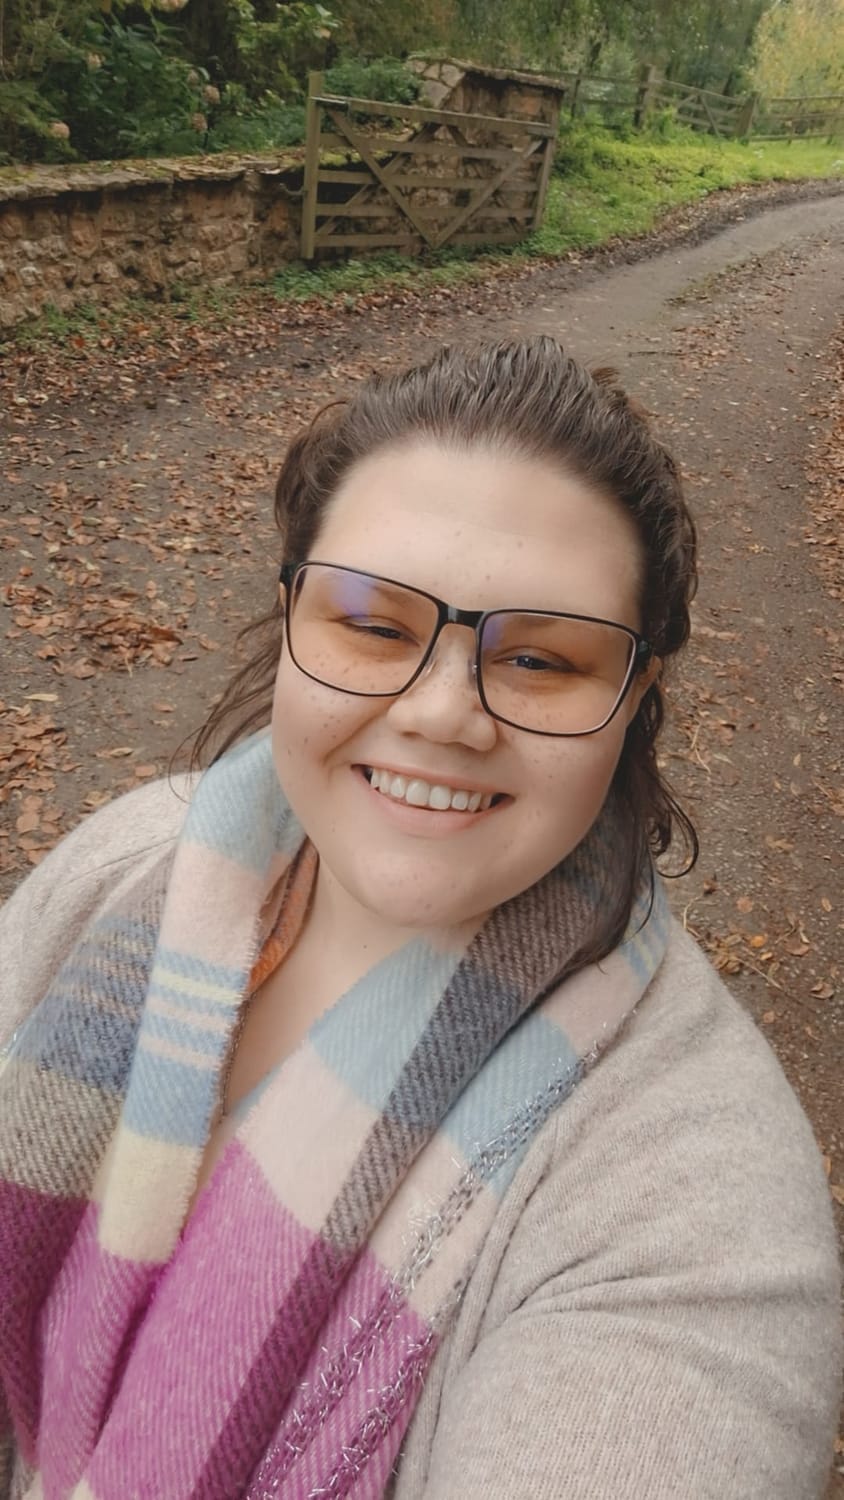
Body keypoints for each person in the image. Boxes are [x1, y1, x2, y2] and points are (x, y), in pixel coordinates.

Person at [0, 338, 839, 1500]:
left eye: (540, 658)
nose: (442, 715)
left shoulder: (691, 1217)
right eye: (373, 625)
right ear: (292, 618)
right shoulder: (118, 872)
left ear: (633, 695)